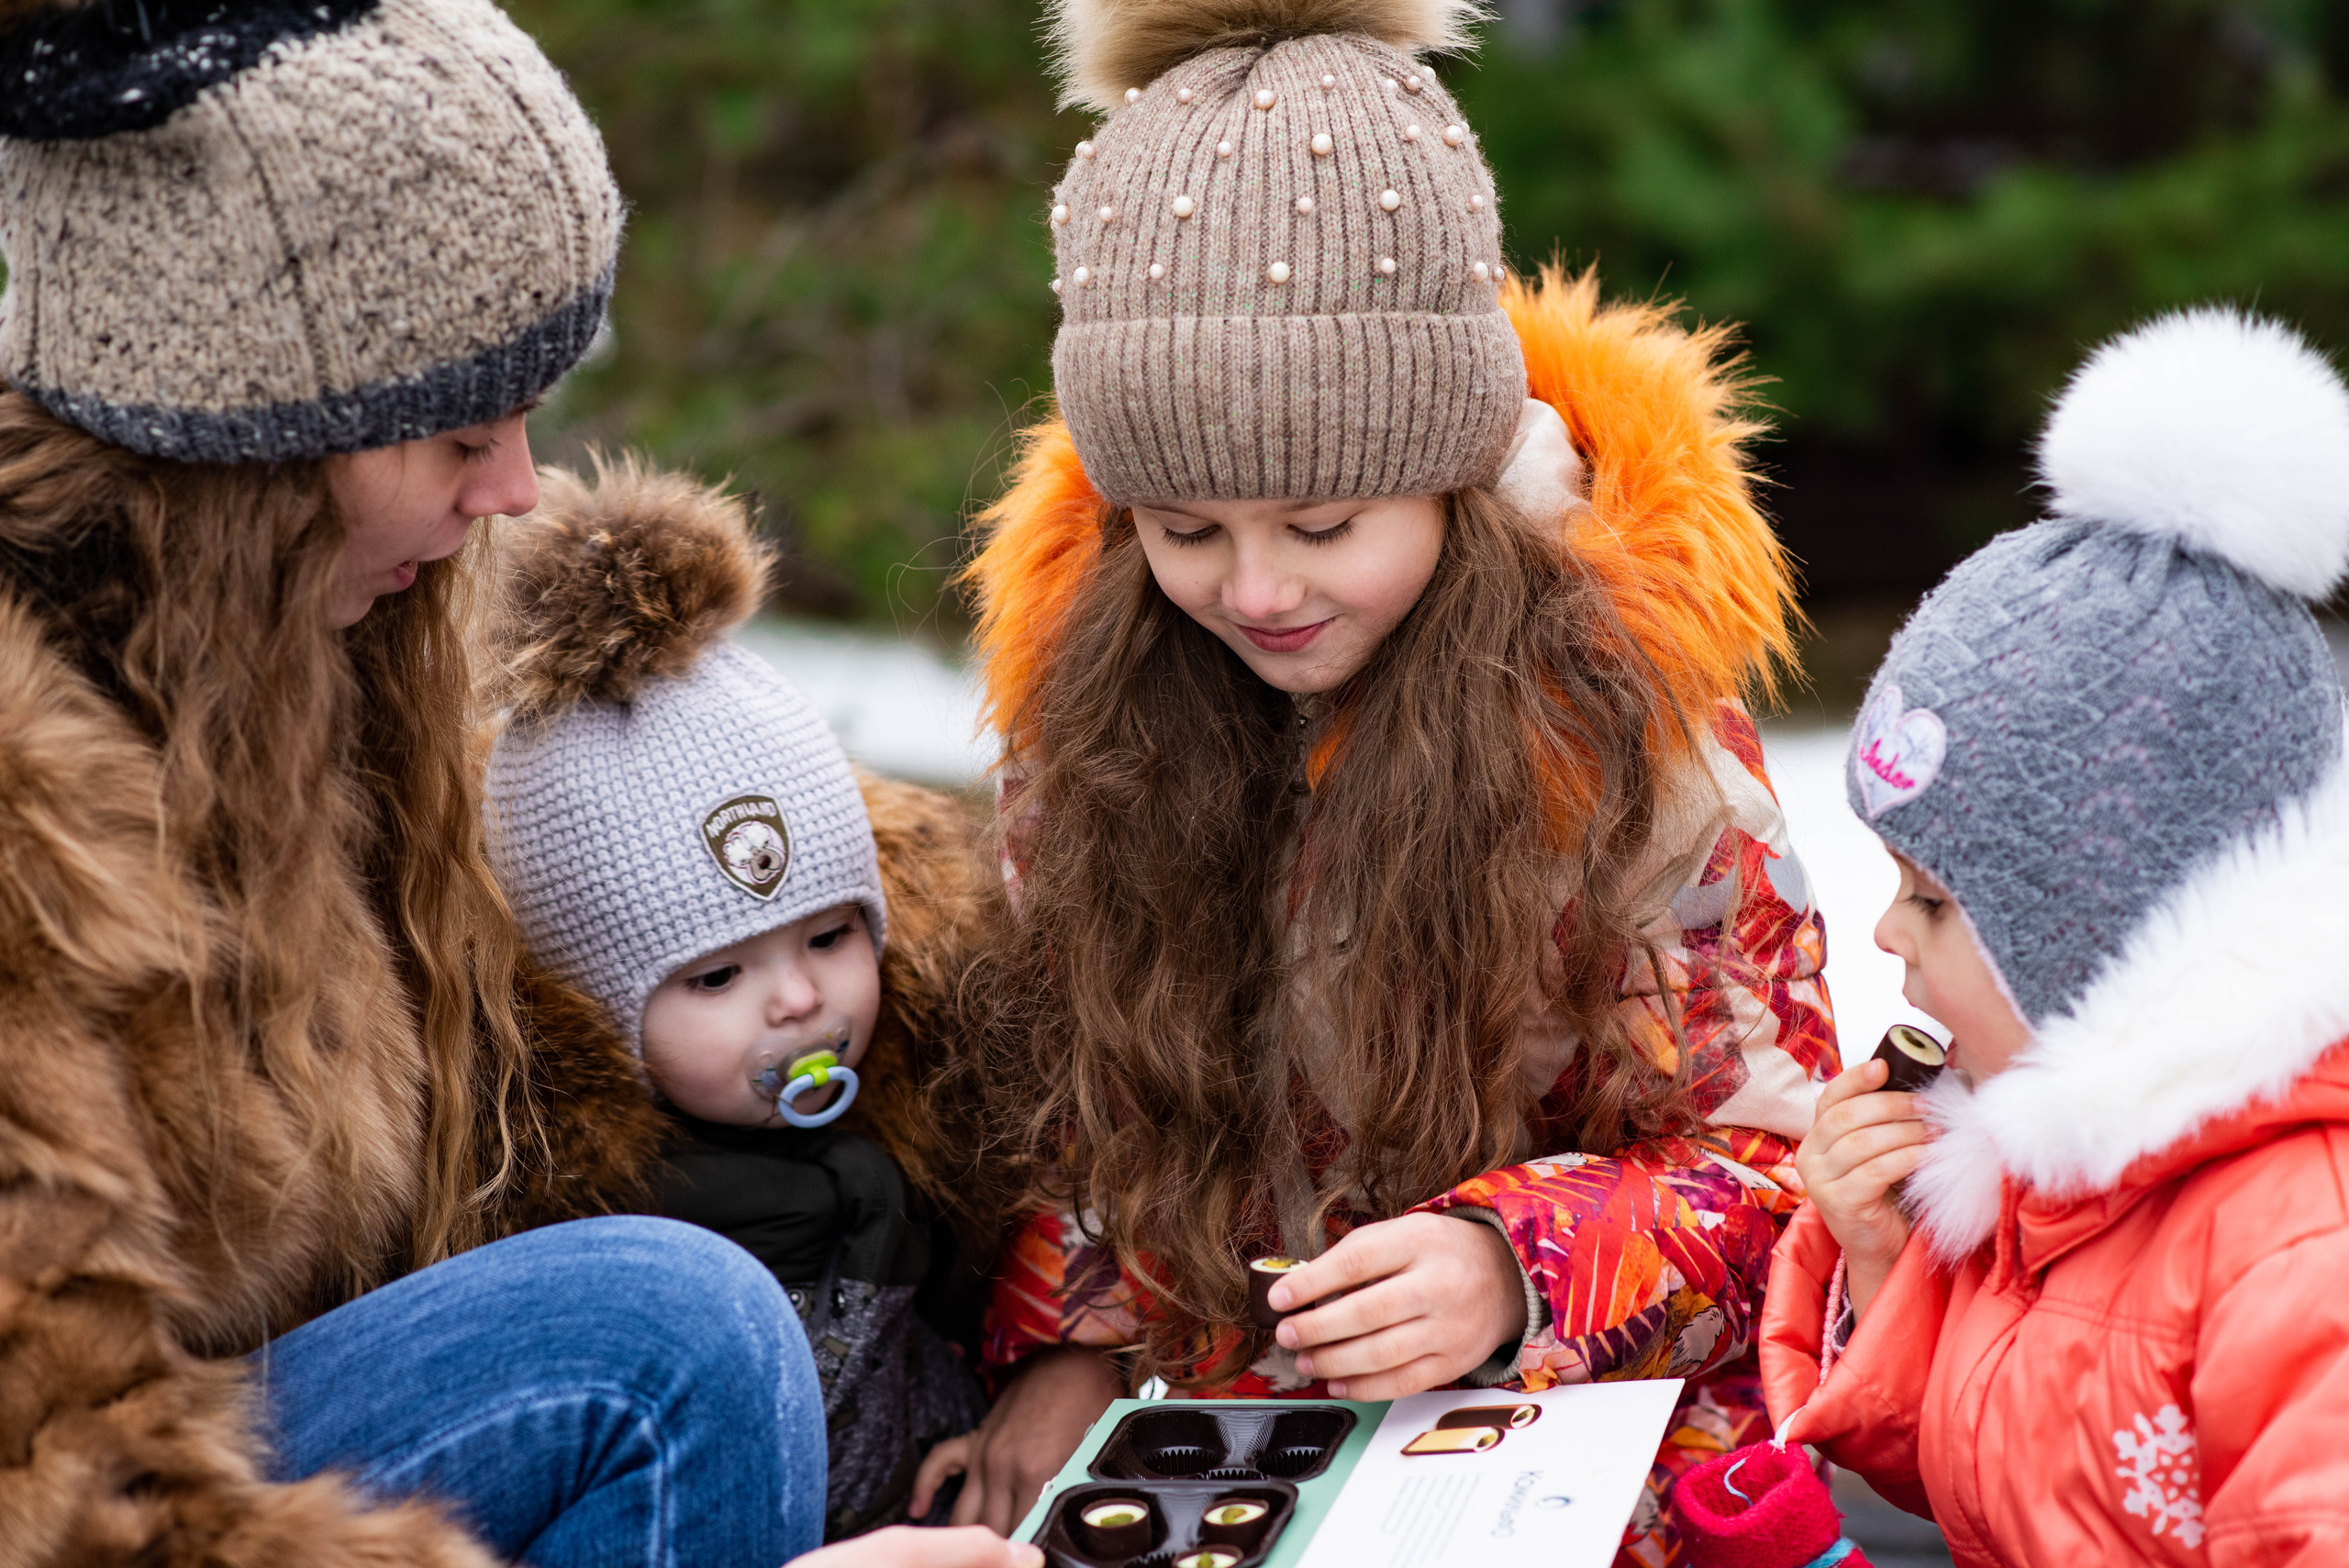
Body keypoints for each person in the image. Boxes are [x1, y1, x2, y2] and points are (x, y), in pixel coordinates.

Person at [913, 2, 1841, 1560]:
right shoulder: (1098, 727)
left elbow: (1779, 1170)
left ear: (1453, 469)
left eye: (1324, 521)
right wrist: (1069, 1338)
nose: (1254, 584)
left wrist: (1515, 1265)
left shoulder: (1626, 742)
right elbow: (1084, 1100)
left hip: (1566, 1437)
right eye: (1184, 529)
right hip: (1222, 1446)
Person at [0, 0, 903, 1561]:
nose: (518, 491)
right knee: (674, 1339)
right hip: (132, 1500)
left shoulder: (317, 650)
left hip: (258, 1419)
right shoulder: (30, 814)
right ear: (250, 450)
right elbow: (68, 1495)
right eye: (462, 433)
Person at [1765, 309, 2349, 1561]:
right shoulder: (2049, 1160)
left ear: (2099, 931)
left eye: (1931, 899)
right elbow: (1995, 1470)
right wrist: (1878, 1260)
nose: (1885, 932)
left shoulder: (2304, 1252)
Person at [482, 460, 996, 1540]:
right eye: (716, 976)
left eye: (830, 933)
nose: (801, 999)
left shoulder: (941, 1072)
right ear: (592, 1016)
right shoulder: (585, 1224)